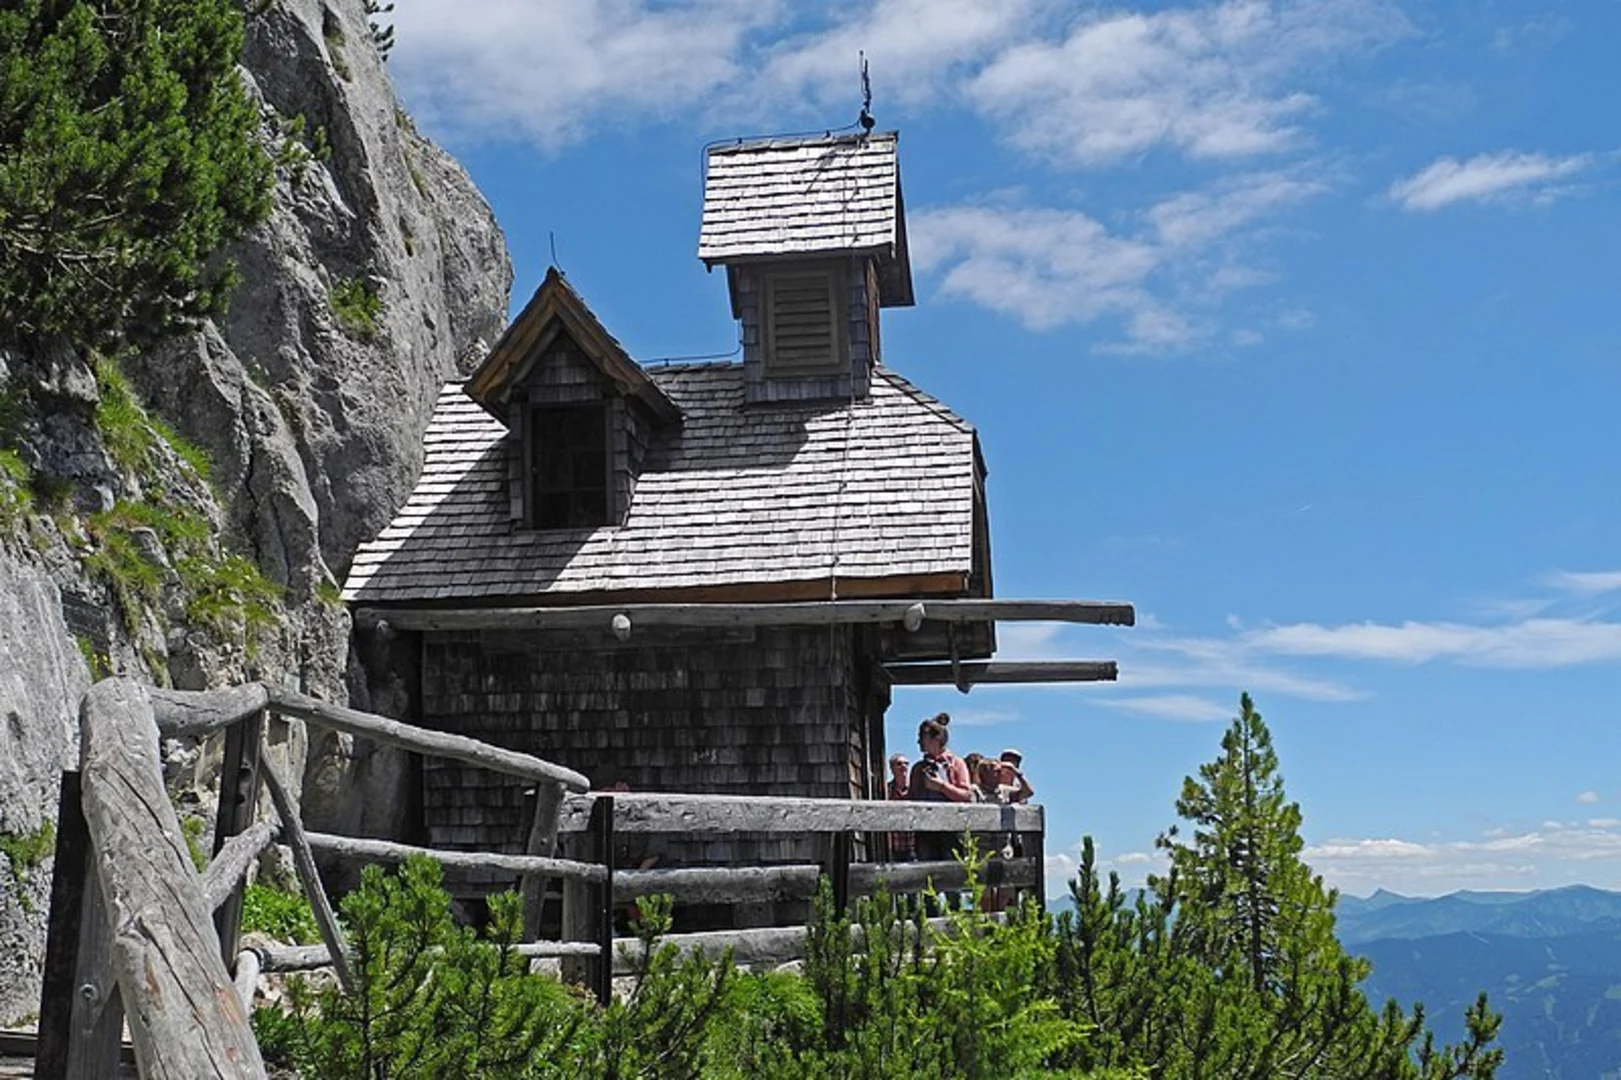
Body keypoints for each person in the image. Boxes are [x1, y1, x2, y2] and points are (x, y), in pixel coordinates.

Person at [908, 713, 974, 864]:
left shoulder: (956, 764)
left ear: (936, 738)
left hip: (951, 828)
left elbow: (966, 796)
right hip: (925, 831)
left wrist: (941, 787)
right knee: (926, 876)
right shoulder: (918, 768)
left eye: (922, 737)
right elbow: (912, 798)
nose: (918, 741)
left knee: (952, 876)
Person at [886, 753, 916, 861]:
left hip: (914, 844)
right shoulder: (886, 790)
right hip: (895, 845)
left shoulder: (915, 788)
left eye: (906, 763)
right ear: (891, 768)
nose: (904, 766)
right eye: (899, 764)